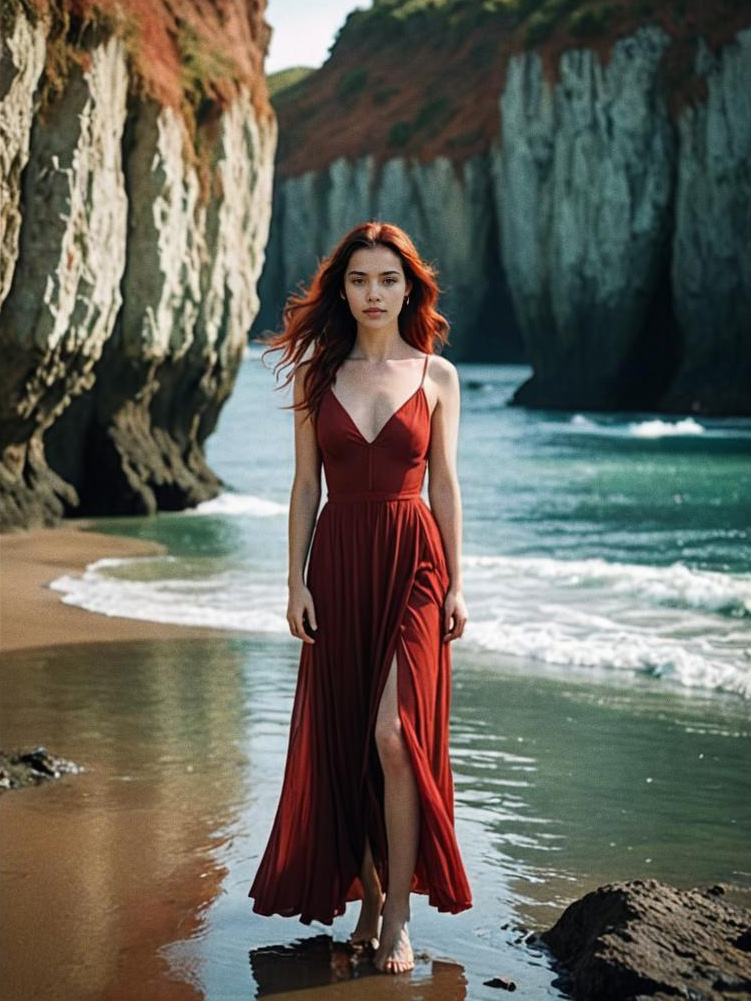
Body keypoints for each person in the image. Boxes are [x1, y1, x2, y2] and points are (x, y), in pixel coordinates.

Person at [248, 220, 472, 974]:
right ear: (340, 291)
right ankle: (371, 897)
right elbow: (304, 485)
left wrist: (458, 583)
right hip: (340, 562)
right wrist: (294, 579)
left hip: (414, 563)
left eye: (386, 279)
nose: (372, 294)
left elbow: (443, 483)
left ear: (408, 286)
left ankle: (400, 915)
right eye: (357, 280)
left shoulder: (436, 376)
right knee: (348, 741)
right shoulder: (319, 374)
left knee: (392, 734)